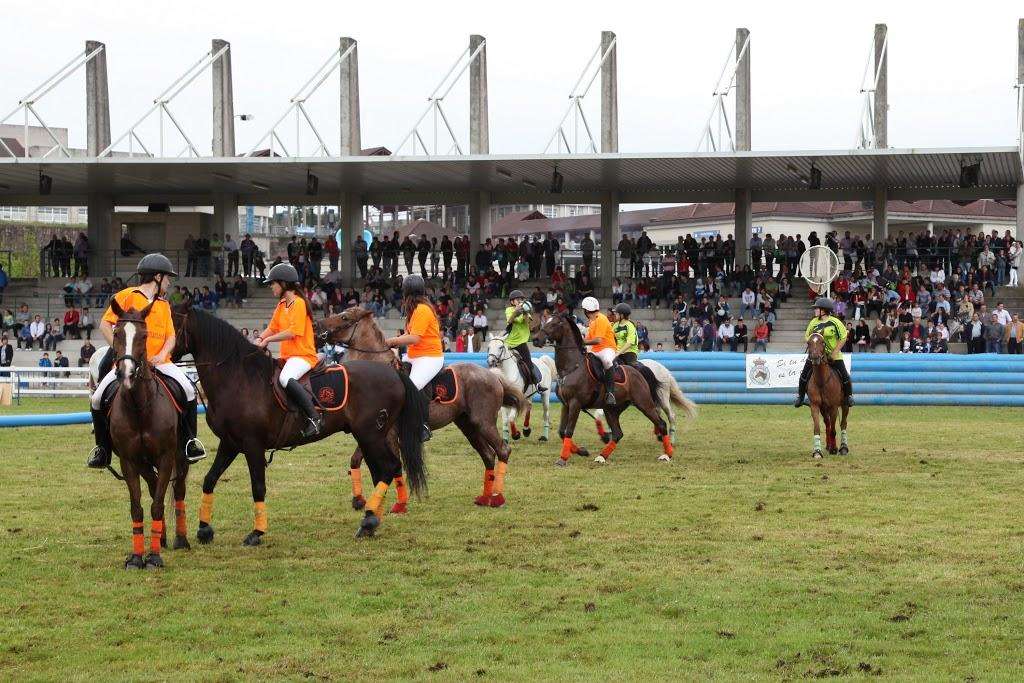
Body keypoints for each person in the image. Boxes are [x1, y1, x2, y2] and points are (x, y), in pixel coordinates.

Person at [87, 254, 205, 469]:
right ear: (158, 277)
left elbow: (171, 337)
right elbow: (105, 324)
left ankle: (190, 442)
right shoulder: (128, 295)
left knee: (189, 390)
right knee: (96, 399)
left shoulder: (164, 304)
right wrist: (121, 350)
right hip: (130, 363)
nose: (169, 283)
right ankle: (102, 449)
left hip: (162, 363)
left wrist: (162, 355)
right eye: (167, 278)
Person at [256, 263, 323, 438]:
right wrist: (259, 339)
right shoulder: (282, 305)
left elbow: (293, 332)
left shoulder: (299, 303)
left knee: (285, 378)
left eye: (273, 283)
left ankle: (315, 418)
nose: (271, 287)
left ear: (283, 283)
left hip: (303, 355)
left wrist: (268, 340)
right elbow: (272, 327)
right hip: (288, 357)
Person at [384, 274, 442, 440]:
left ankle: (422, 425)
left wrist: (390, 341)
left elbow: (414, 338)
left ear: (406, 291)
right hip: (413, 356)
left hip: (429, 357)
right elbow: (408, 334)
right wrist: (395, 346)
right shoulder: (414, 309)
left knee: (410, 388)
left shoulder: (422, 310)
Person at [794, 297, 853, 408]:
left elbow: (843, 337)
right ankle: (801, 397)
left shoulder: (835, 322)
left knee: (845, 375)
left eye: (817, 308)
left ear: (824, 310)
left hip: (834, 355)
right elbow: (807, 337)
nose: (815, 310)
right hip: (816, 355)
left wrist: (835, 352)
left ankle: (848, 397)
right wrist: (814, 345)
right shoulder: (813, 322)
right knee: (804, 375)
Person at [504, 290, 546, 392]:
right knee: (497, 358)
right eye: (517, 299)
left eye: (521, 299)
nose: (520, 301)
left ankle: (537, 384)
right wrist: (516, 311)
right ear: (512, 302)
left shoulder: (525, 312)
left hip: (521, 342)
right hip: (509, 342)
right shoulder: (509, 310)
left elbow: (528, 323)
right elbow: (510, 321)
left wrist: (526, 312)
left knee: (528, 362)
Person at [580, 296, 617, 406]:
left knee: (607, 361)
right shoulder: (591, 321)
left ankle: (610, 393)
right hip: (595, 350)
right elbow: (588, 339)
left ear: (586, 310)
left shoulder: (601, 318)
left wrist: (582, 342)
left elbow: (597, 340)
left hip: (607, 348)